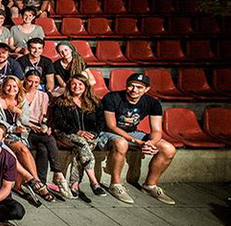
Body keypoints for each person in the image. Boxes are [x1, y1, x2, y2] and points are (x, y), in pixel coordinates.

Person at [100, 73, 177, 205]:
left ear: (146, 89)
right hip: (107, 132)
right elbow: (111, 126)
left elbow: (157, 130)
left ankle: (150, 186)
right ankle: (116, 184)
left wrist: (150, 143)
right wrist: (136, 141)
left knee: (168, 149)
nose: (134, 90)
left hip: (133, 133)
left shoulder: (153, 103)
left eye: (139, 87)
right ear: (126, 85)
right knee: (121, 143)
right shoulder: (112, 97)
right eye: (131, 86)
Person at [0, 75, 53, 204]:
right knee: (23, 149)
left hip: (21, 134)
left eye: (14, 86)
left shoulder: (21, 99)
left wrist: (18, 111)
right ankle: (37, 182)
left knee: (24, 151)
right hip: (4, 134)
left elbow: (25, 120)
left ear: (19, 88)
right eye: (8, 85)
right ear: (3, 86)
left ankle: (28, 184)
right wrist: (13, 129)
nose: (11, 89)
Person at [51, 75, 108, 199]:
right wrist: (77, 131)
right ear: (69, 86)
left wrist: (94, 133)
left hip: (89, 136)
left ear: (86, 86)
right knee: (82, 143)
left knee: (80, 149)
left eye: (80, 84)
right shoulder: (61, 101)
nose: (77, 87)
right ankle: (94, 182)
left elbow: (101, 121)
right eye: (74, 84)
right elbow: (59, 122)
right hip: (66, 134)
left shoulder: (95, 101)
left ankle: (74, 184)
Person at [23, 71, 68, 196]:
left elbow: (43, 116)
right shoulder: (19, 93)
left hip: (37, 130)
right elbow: (18, 117)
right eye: (30, 81)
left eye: (36, 82)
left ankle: (42, 182)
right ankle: (58, 172)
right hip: (23, 129)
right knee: (48, 140)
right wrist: (31, 126)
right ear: (25, 79)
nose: (33, 84)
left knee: (43, 148)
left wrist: (45, 126)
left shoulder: (43, 96)